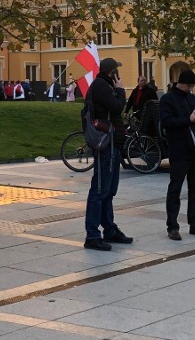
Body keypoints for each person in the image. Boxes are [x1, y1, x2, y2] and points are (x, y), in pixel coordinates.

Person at [83, 58, 131, 251]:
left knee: (109, 190)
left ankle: (109, 229)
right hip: (106, 145)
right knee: (100, 189)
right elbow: (118, 108)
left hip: (113, 144)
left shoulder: (103, 85)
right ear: (112, 73)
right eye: (116, 72)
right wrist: (120, 90)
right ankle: (92, 235)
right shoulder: (101, 86)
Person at [161, 69, 195, 241]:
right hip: (179, 150)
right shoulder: (168, 99)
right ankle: (172, 226)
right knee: (175, 189)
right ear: (181, 83)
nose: (191, 89)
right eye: (189, 86)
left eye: (192, 86)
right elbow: (167, 122)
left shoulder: (191, 98)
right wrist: (188, 119)